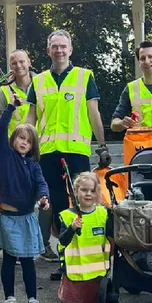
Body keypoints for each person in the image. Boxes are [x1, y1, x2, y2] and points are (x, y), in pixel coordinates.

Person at [24, 30, 110, 279]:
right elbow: (31, 118)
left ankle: (89, 256)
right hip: (48, 153)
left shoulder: (85, 77)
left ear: (70, 50)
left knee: (83, 202)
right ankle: (66, 260)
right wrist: (27, 146)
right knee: (60, 207)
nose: (59, 50)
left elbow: (93, 112)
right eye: (54, 47)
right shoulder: (38, 82)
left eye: (63, 46)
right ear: (48, 50)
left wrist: (102, 145)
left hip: (76, 152)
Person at [0, 88, 50, 303]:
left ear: (33, 146)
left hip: (26, 218)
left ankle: (33, 300)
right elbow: (0, 131)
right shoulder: (5, 155)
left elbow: (42, 185)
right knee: (8, 260)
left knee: (27, 263)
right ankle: (9, 299)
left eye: (28, 140)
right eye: (20, 138)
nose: (24, 142)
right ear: (13, 140)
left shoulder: (34, 165)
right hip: (7, 217)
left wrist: (44, 198)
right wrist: (11, 107)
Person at [57, 172, 112, 303]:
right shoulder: (67, 216)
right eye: (84, 190)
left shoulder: (104, 213)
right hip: (75, 272)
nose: (88, 194)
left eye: (92, 191)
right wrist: (72, 228)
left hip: (98, 271)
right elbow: (62, 241)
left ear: (97, 193)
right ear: (76, 192)